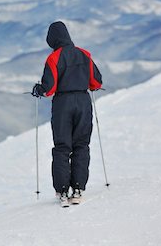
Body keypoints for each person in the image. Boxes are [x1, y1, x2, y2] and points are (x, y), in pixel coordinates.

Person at [31, 21, 102, 207]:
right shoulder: (84, 54)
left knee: (62, 146)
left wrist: (38, 89)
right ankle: (78, 189)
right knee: (81, 144)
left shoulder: (54, 58)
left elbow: (49, 89)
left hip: (63, 103)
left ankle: (62, 190)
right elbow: (96, 82)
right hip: (83, 101)